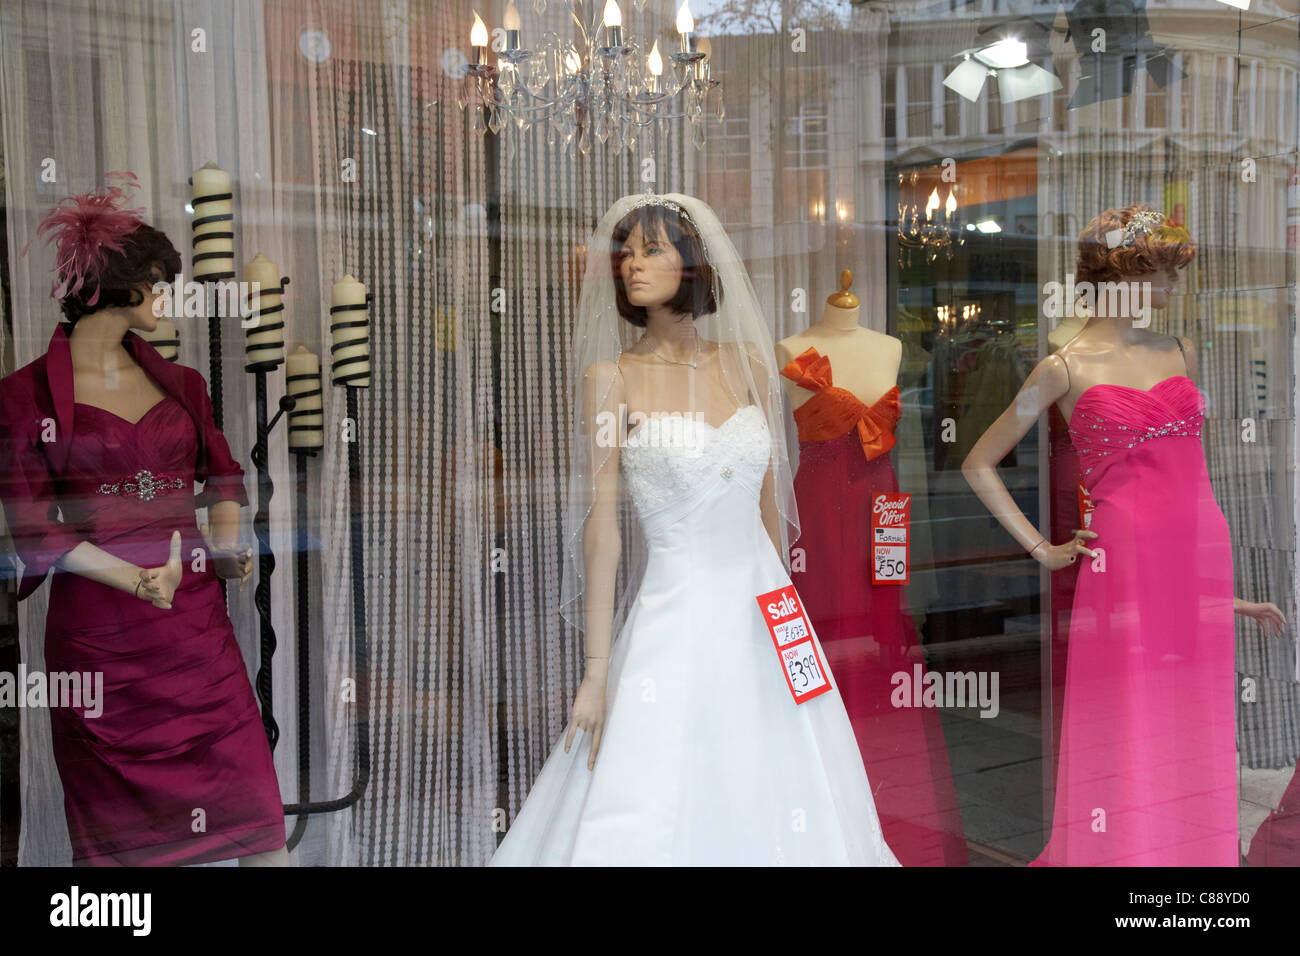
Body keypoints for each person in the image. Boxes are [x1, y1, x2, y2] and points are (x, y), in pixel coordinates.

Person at [489, 193, 899, 866]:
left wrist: (789, 611)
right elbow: (604, 529)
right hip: (673, 615)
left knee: (783, 772)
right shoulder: (610, 379)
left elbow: (770, 506)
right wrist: (595, 672)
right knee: (659, 780)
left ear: (695, 262)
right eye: (626, 254)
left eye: (653, 250)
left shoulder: (748, 363)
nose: (632, 266)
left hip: (763, 609)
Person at [961, 204, 1284, 865]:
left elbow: (1192, 473)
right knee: (1131, 716)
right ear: (1125, 275)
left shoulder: (1182, 351)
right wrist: (1042, 549)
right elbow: (978, 461)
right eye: (1162, 275)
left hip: (1200, 552)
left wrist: (1228, 597)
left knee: (1193, 718)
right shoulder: (1063, 366)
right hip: (1124, 563)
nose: (1170, 291)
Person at [0, 171, 287, 865]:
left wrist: (226, 546)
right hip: (102, 645)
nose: (168, 300)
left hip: (195, 636)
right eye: (160, 284)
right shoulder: (21, 395)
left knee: (260, 824)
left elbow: (222, 476)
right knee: (121, 851)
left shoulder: (183, 383)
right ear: (120, 288)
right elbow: (35, 527)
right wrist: (133, 582)